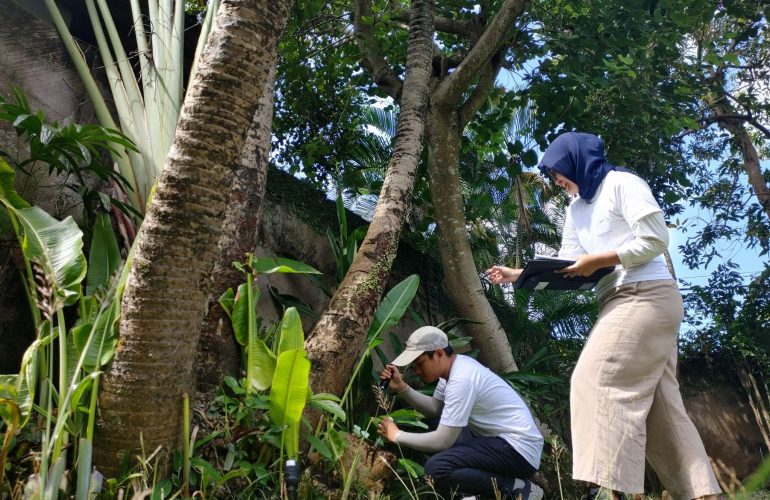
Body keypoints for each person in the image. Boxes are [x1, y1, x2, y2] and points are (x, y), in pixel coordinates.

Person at [486, 132, 721, 500]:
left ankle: (612, 487)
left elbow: (657, 239)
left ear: (576, 161)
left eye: (557, 171)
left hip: (647, 295)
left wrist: (601, 259)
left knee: (593, 378)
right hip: (615, 300)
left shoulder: (622, 184)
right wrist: (521, 274)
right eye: (551, 175)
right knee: (662, 412)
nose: (555, 180)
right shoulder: (575, 208)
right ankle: (703, 494)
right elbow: (567, 261)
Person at [377, 326, 544, 499]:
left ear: (439, 353)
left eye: (420, 364)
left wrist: (397, 435)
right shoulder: (453, 369)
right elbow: (436, 409)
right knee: (437, 423)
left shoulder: (462, 378)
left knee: (436, 469)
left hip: (519, 450)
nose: (417, 371)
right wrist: (402, 388)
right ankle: (476, 492)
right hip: (501, 444)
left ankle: (518, 487)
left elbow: (442, 441)